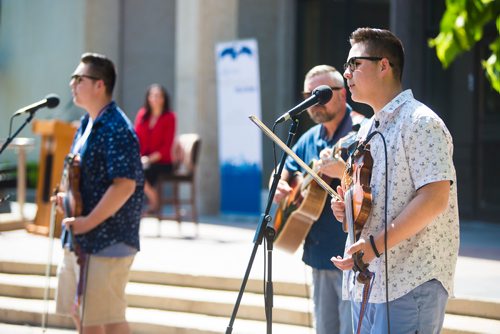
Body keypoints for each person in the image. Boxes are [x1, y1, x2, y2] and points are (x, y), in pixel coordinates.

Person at [330, 28, 459, 333]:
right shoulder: (365, 131)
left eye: (354, 64)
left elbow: (435, 198)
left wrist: (375, 246)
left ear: (384, 65)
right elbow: (368, 207)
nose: (346, 74)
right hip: (370, 283)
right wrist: (348, 210)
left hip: (411, 279)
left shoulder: (421, 122)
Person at [55, 52, 144, 334]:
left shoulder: (117, 127)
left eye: (79, 79)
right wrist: (65, 200)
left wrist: (87, 222)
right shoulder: (86, 123)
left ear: (99, 85)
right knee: (79, 313)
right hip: (80, 238)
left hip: (107, 240)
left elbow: (125, 185)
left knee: (107, 320)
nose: (72, 84)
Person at [272, 65, 354, 334]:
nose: (314, 102)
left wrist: (343, 171)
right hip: (318, 253)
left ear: (343, 94)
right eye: (309, 95)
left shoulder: (360, 132)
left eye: (321, 95)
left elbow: (378, 184)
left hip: (351, 253)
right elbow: (284, 170)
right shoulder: (309, 137)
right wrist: (281, 182)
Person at [134, 84, 176, 213]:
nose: (155, 99)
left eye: (158, 96)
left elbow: (166, 147)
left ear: (164, 99)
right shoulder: (142, 115)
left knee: (140, 172)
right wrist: (140, 158)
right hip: (144, 160)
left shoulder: (170, 117)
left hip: (162, 162)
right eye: (152, 95)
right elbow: (136, 139)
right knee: (132, 170)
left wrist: (149, 159)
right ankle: (154, 200)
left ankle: (152, 203)